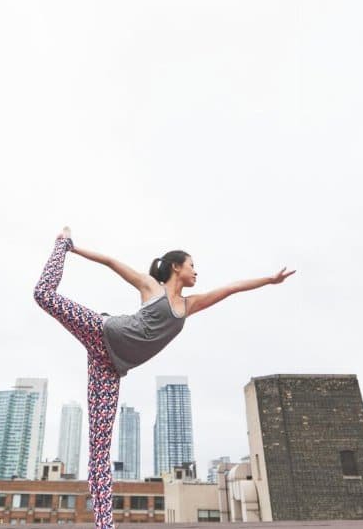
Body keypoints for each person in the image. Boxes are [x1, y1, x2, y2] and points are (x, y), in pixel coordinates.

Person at [32, 226, 294, 529]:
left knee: (99, 447)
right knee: (43, 295)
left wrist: (269, 280)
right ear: (176, 267)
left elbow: (231, 288)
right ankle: (59, 245)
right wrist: (71, 247)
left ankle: (104, 525)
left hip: (110, 366)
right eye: (192, 265)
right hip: (101, 330)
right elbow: (111, 262)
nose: (196, 271)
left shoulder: (188, 305)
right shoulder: (150, 288)